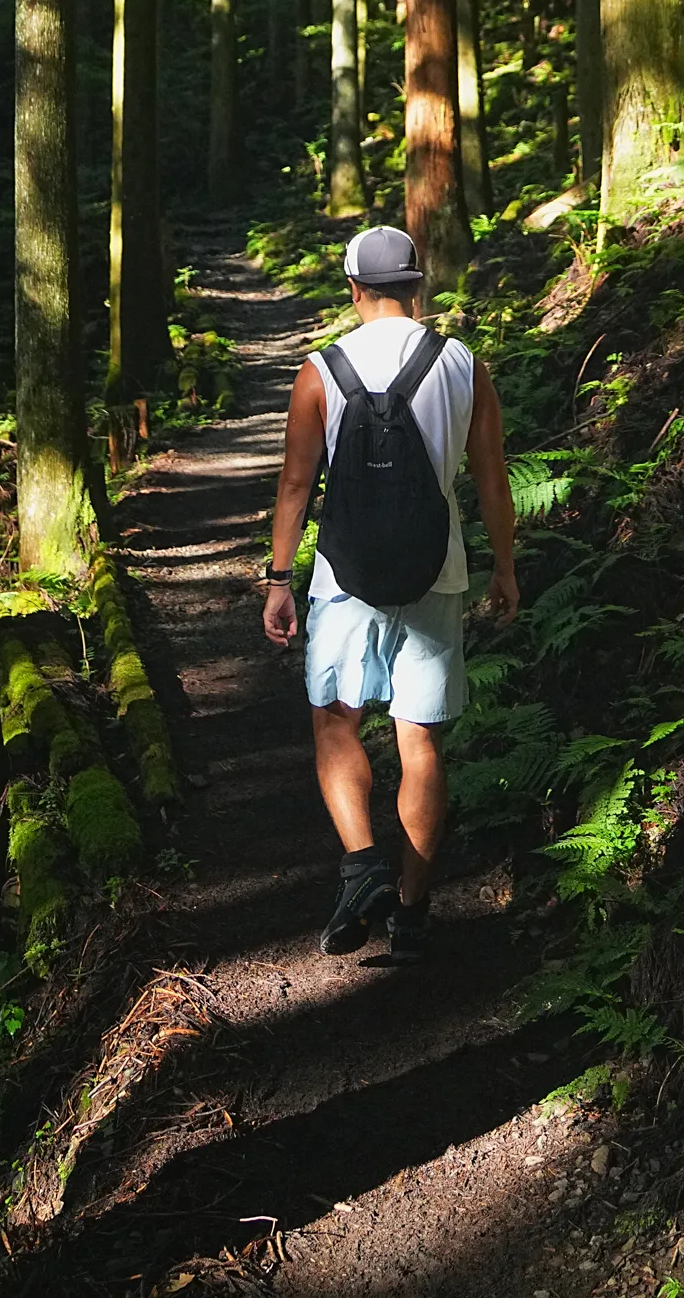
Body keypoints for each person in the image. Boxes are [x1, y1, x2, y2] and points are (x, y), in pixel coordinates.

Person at [262, 223, 518, 962]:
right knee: (421, 741)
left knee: (337, 721)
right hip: (435, 571)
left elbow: (295, 485)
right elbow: (493, 476)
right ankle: (410, 911)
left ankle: (362, 863)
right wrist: (503, 566)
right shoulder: (462, 363)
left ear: (352, 289)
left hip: (344, 579)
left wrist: (279, 578)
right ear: (418, 284)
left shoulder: (320, 370)